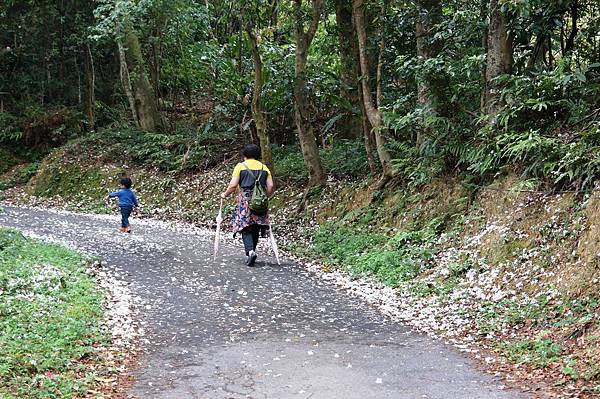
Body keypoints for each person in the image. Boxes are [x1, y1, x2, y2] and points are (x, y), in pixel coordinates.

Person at [221, 144, 274, 266]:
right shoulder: (264, 168)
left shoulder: (241, 166)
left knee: (245, 226)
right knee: (256, 226)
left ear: (245, 155)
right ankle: (252, 251)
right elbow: (270, 186)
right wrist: (265, 197)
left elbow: (233, 185)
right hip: (260, 201)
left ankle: (250, 252)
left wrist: (225, 194)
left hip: (245, 200)